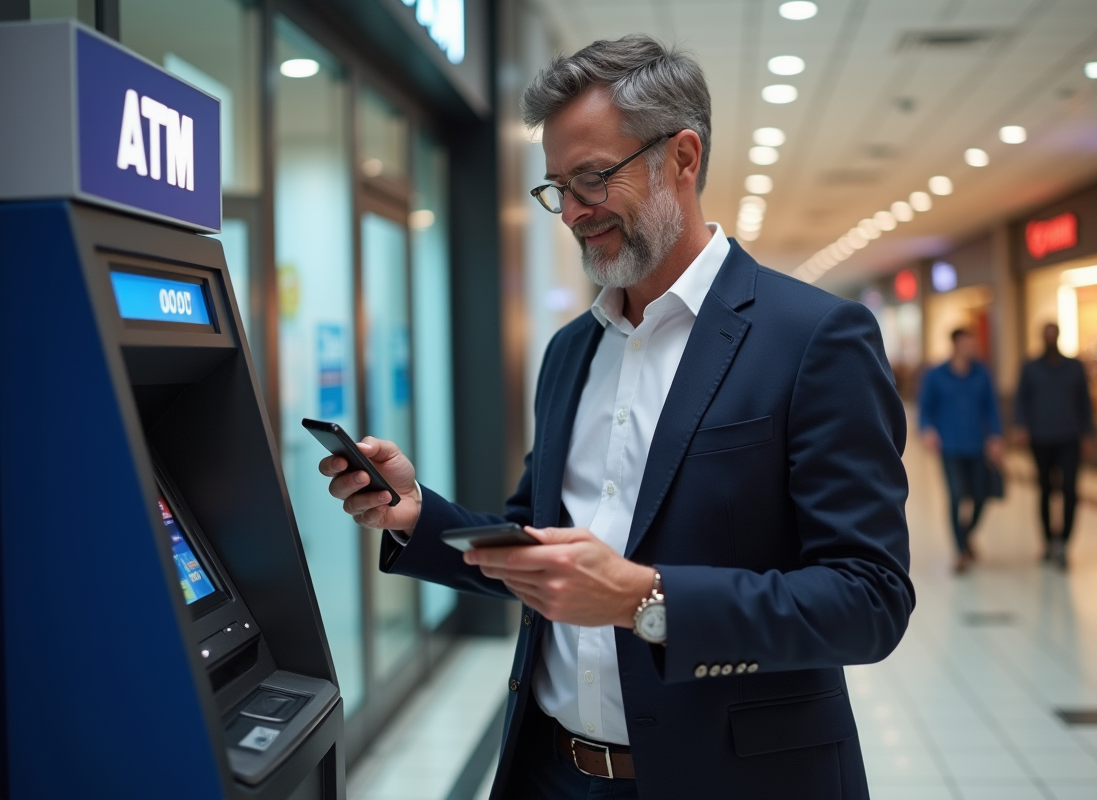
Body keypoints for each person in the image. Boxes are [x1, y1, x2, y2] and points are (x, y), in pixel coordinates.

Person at [318, 36, 913, 800]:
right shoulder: (572, 351)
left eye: (593, 178)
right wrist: (416, 515)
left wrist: (644, 600)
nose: (570, 211)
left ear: (684, 157)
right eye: (556, 187)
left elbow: (869, 599)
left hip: (732, 780)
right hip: (552, 772)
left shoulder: (813, 339)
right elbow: (540, 546)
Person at [918, 328, 1004, 574]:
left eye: (973, 342)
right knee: (956, 496)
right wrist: (927, 430)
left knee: (980, 496)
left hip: (978, 445)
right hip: (950, 446)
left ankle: (965, 536)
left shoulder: (982, 374)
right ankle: (960, 551)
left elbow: (991, 407)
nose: (972, 347)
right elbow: (925, 408)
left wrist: (996, 437)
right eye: (967, 343)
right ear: (955, 344)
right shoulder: (936, 375)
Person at [1013, 322, 1094, 569]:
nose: (1050, 339)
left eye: (1053, 334)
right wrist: (1021, 426)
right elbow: (1021, 399)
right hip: (1041, 437)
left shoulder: (1074, 367)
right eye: (1046, 335)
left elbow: (1085, 401)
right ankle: (1048, 540)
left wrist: (1088, 433)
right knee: (1045, 489)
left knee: (1069, 489)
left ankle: (1064, 540)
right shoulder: (1031, 368)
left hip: (1069, 436)